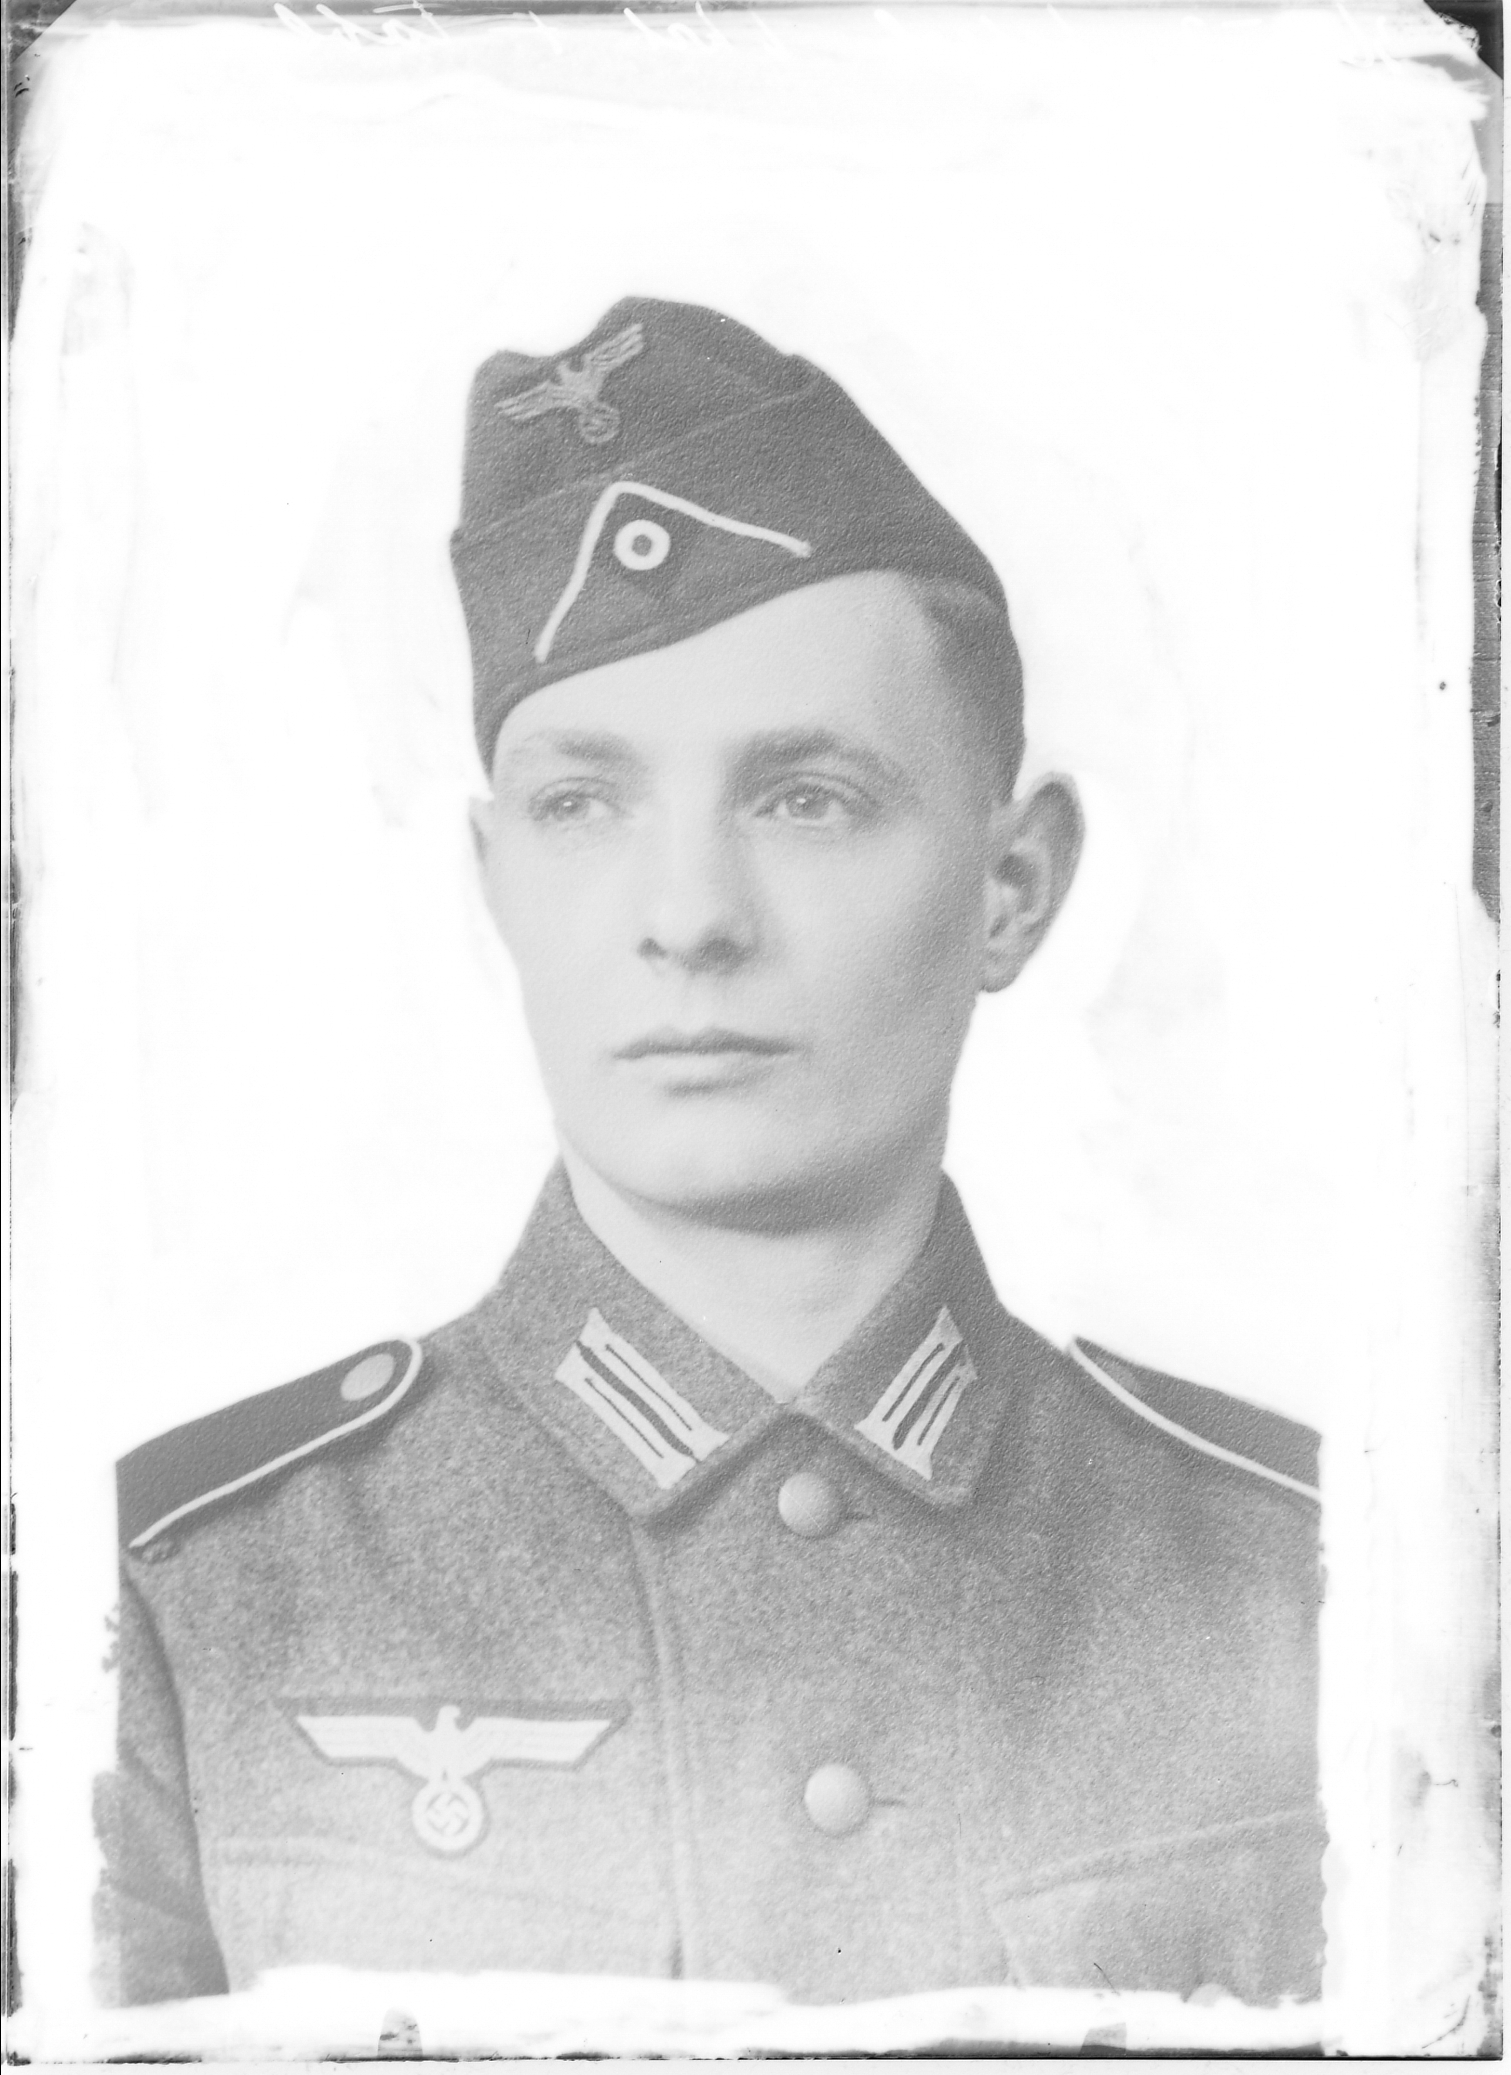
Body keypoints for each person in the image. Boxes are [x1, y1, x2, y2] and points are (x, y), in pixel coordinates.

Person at [99, 298, 1322, 2009]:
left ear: (1013, 886)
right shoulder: (180, 1600)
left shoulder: (1316, 1579)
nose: (687, 917)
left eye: (806, 797)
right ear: (497, 883)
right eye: (582, 805)